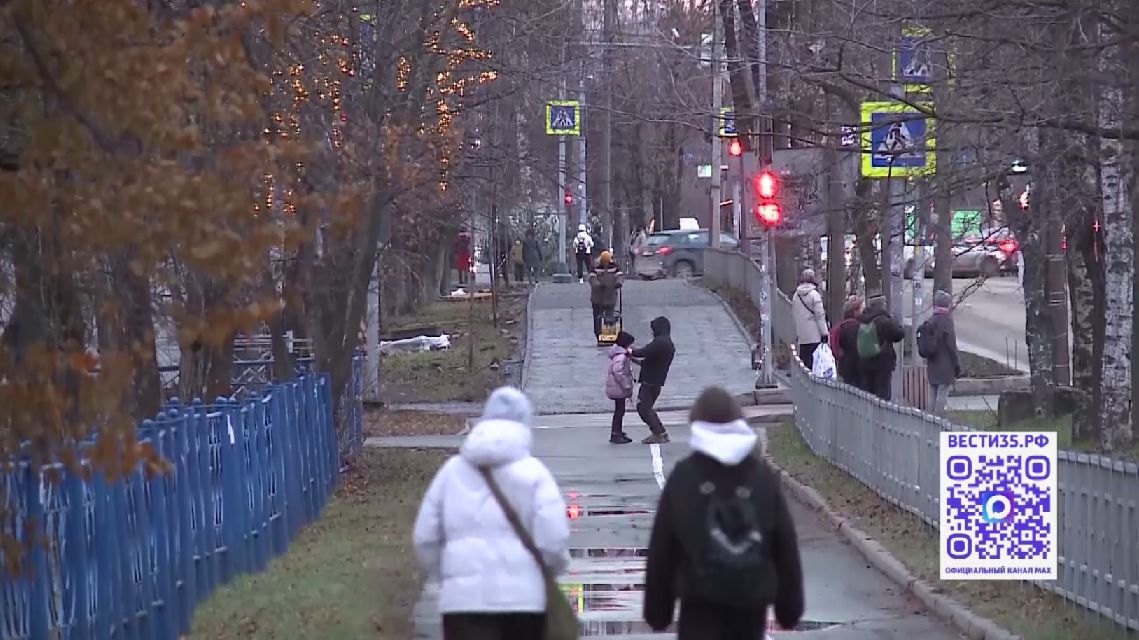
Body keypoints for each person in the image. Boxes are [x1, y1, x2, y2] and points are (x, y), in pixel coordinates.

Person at [643, 386, 805, 639]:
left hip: (698, 610)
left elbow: (662, 548)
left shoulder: (685, 478)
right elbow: (785, 546)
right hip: (749, 609)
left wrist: (658, 611)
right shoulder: (762, 479)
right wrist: (789, 608)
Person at [412, 386, 571, 640]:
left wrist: (448, 576)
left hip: (462, 604)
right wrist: (549, 571)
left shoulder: (451, 472)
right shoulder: (535, 473)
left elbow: (425, 537)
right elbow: (553, 539)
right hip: (524, 601)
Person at [630, 316, 675, 444]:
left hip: (650, 380)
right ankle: (661, 432)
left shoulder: (659, 342)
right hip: (657, 380)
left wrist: (629, 350)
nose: (652, 332)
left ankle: (658, 433)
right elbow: (651, 361)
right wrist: (635, 360)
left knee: (643, 407)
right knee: (647, 407)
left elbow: (643, 352)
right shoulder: (667, 343)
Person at [855, 293, 905, 401]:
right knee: (882, 396)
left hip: (865, 361)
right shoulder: (884, 321)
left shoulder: (861, 320)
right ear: (881, 305)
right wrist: (896, 322)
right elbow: (899, 334)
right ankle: (880, 417)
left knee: (867, 395)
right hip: (883, 363)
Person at [919, 290, 962, 415]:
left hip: (932, 366)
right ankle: (939, 422)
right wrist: (957, 366)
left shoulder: (931, 321)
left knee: (932, 394)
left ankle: (930, 423)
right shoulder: (946, 322)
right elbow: (951, 346)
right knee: (942, 395)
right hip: (945, 366)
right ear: (946, 305)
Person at [792, 268, 828, 369]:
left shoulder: (796, 296)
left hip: (802, 336)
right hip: (814, 336)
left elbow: (795, 315)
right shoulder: (814, 295)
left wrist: (797, 333)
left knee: (805, 364)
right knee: (815, 363)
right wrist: (824, 333)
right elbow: (820, 316)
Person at [605, 331, 636, 444]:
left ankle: (617, 432)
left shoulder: (620, 354)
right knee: (619, 411)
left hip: (616, 387)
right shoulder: (621, 356)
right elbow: (618, 371)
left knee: (619, 410)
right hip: (618, 388)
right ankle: (615, 433)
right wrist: (626, 385)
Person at [589, 250, 623, 340]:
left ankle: (609, 335)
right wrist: (598, 285)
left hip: (610, 296)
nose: (606, 264)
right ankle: (598, 334)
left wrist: (619, 283)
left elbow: (619, 276)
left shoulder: (614, 267)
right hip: (597, 297)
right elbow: (592, 278)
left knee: (609, 316)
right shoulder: (595, 267)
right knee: (597, 318)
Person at [832, 295, 864, 388]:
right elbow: (854, 346)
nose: (862, 311)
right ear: (855, 311)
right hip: (854, 367)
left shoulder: (843, 325)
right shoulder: (853, 326)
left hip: (844, 365)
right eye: (860, 308)